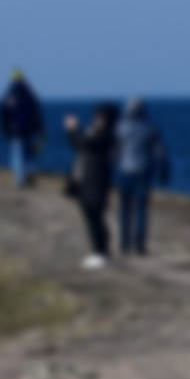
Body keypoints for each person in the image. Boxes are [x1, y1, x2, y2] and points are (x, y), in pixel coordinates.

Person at [65, 103, 120, 269]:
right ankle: (98, 252)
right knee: (91, 217)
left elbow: (85, 144)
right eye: (96, 116)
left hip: (97, 182)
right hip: (88, 181)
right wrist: (73, 131)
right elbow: (80, 146)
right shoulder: (97, 132)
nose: (97, 119)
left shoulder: (107, 135)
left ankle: (101, 253)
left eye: (100, 117)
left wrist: (74, 129)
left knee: (96, 217)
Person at [114, 98, 169, 255]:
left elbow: (115, 152)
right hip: (144, 171)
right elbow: (160, 152)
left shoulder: (120, 128)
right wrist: (164, 170)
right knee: (141, 209)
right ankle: (139, 244)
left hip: (124, 170)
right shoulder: (150, 128)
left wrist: (109, 169)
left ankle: (124, 243)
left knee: (125, 209)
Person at [0, 69, 45, 188]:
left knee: (17, 154)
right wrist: (39, 127)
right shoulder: (29, 93)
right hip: (28, 129)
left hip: (14, 129)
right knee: (28, 153)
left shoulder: (9, 94)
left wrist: (5, 128)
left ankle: (19, 179)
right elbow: (36, 112)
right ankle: (30, 173)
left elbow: (4, 113)